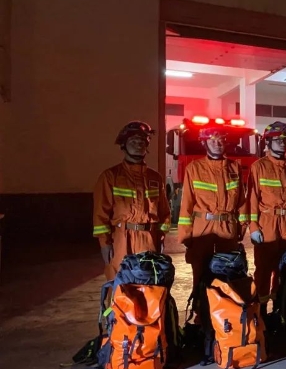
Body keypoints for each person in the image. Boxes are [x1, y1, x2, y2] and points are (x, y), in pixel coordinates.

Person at [92, 121, 171, 281]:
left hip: (149, 239)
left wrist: (160, 237)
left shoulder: (155, 178)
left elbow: (164, 213)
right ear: (123, 145)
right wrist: (104, 244)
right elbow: (101, 215)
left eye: (142, 141)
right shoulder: (110, 176)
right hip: (121, 240)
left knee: (149, 285)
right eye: (133, 141)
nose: (138, 145)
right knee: (120, 285)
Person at [177, 125, 247, 295]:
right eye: (212, 140)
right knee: (200, 274)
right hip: (203, 230)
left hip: (227, 230)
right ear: (204, 143)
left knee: (228, 275)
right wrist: (186, 235)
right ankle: (199, 309)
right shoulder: (194, 168)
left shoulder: (234, 168)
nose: (218, 144)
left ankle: (224, 310)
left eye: (221, 140)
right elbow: (186, 204)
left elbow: (241, 202)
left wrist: (241, 228)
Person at [246, 121, 286, 321]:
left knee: (285, 269)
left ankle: (279, 310)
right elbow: (252, 198)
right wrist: (253, 226)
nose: (282, 143)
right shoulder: (259, 167)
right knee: (263, 270)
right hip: (267, 223)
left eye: (285, 139)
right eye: (278, 140)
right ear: (268, 142)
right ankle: (260, 312)